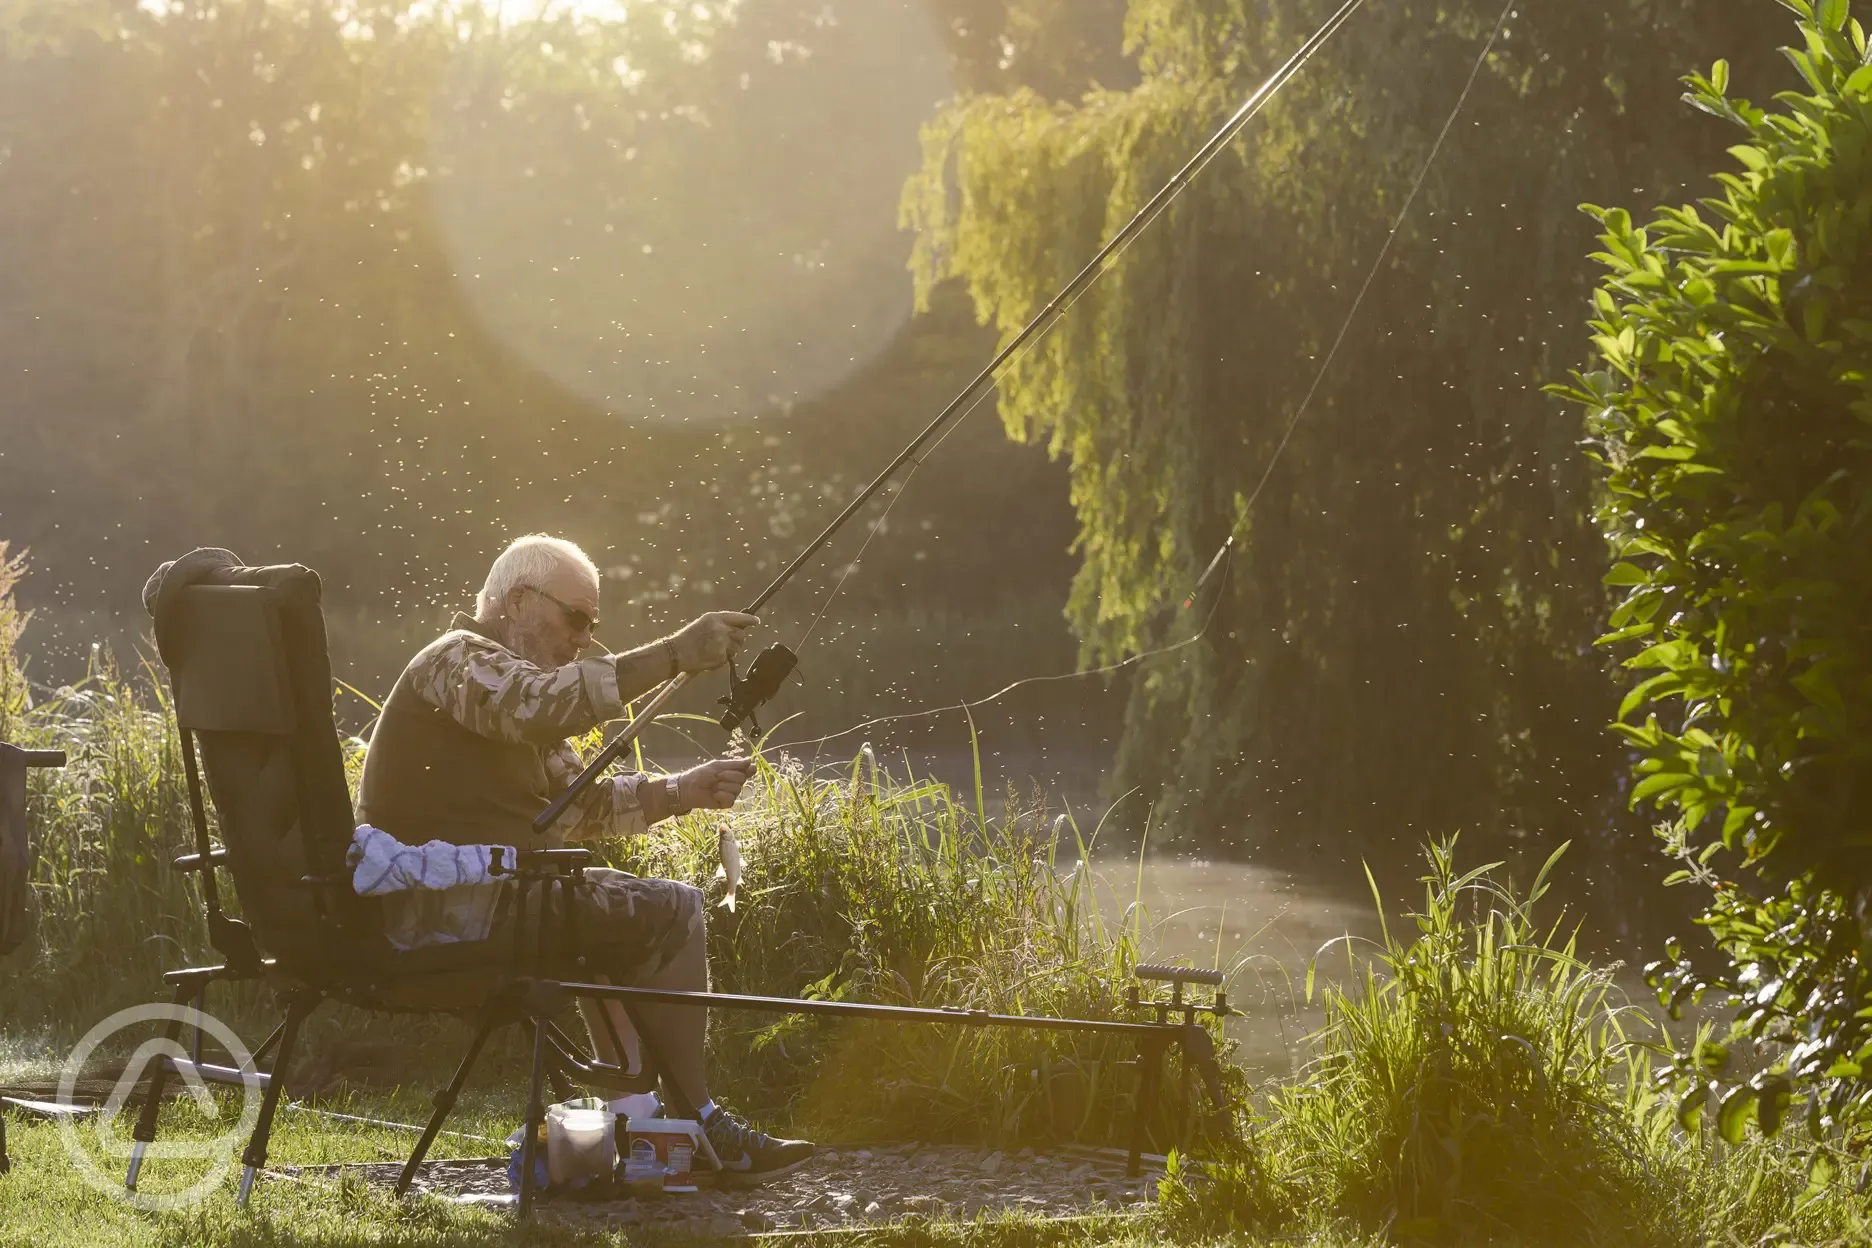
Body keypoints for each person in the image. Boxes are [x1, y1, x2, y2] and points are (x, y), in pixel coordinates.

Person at [355, 533, 813, 1180]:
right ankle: (699, 1120)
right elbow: (543, 707)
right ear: (517, 601)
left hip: (497, 902)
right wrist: (678, 653)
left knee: (599, 906)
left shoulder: (506, 697)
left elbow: (576, 805)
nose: (582, 639)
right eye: (575, 618)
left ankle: (643, 1121)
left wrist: (682, 790)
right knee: (673, 908)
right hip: (440, 912)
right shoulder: (457, 661)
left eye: (592, 626)